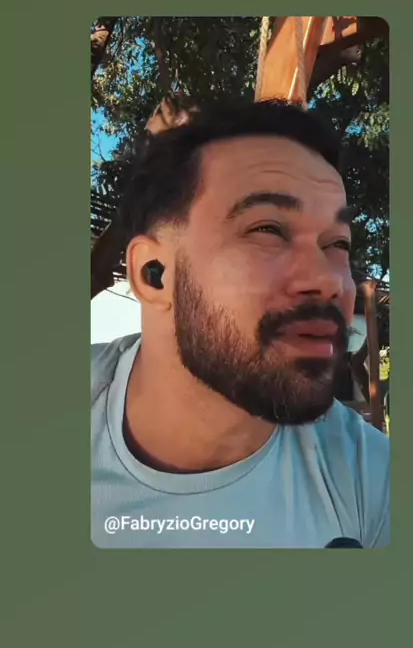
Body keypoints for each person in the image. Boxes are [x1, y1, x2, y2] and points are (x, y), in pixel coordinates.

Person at [91, 99, 390, 548]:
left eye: (338, 244)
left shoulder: (367, 479)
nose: (330, 281)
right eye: (268, 229)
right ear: (155, 274)